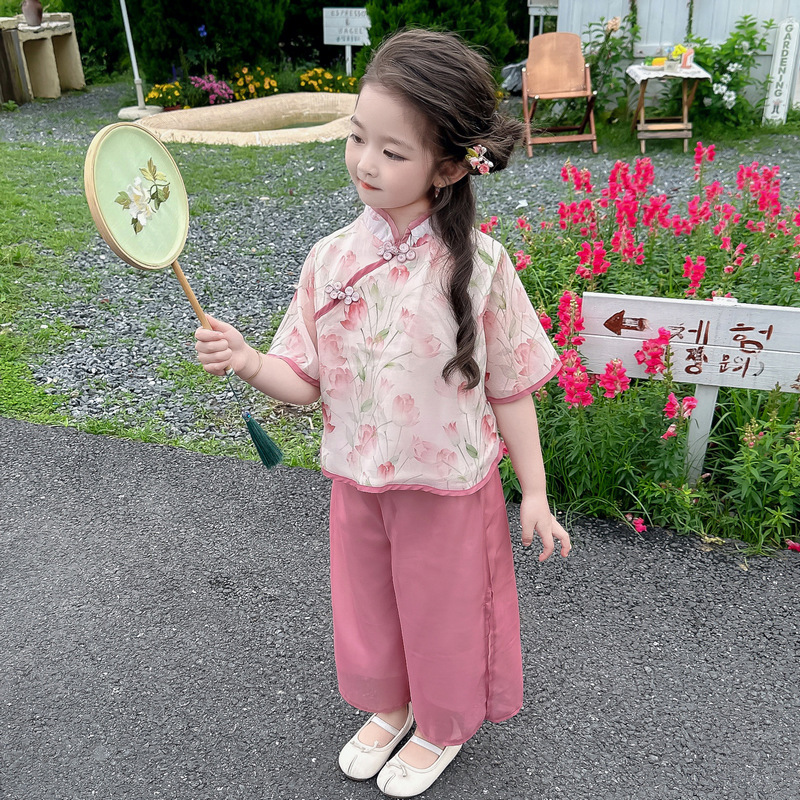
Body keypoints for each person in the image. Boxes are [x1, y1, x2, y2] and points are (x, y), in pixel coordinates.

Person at [195, 28, 571, 799]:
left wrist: (533, 491)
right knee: (369, 607)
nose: (366, 162)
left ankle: (442, 724)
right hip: (357, 478)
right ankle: (390, 706)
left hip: (447, 487)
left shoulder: (482, 267)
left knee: (443, 614)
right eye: (358, 137)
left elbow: (511, 387)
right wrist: (248, 360)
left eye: (392, 151)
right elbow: (304, 380)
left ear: (450, 166)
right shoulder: (329, 258)